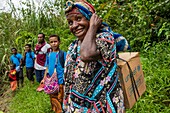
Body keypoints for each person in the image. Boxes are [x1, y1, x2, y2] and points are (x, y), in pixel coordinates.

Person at [63, 1, 130, 113]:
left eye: (79, 19)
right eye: (70, 22)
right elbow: (69, 80)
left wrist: (93, 27)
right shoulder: (73, 45)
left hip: (101, 107)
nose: (74, 25)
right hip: (77, 107)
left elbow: (86, 55)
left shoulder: (105, 39)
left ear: (91, 18)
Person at [41, 34, 66, 113]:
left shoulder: (63, 54)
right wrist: (44, 78)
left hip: (60, 80)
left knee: (60, 97)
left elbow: (67, 67)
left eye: (55, 41)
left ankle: (62, 110)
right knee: (52, 96)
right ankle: (56, 110)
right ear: (49, 43)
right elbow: (47, 68)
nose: (53, 43)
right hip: (51, 81)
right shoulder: (48, 55)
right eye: (51, 42)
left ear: (59, 42)